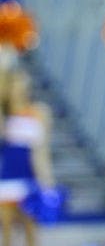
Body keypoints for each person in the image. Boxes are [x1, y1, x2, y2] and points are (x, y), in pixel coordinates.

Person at [0, 69, 53, 246]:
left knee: (31, 232)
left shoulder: (39, 112)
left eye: (22, 83)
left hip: (30, 179)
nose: (18, 88)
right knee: (7, 234)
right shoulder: (3, 115)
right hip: (6, 179)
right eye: (13, 84)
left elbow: (41, 151)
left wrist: (47, 182)